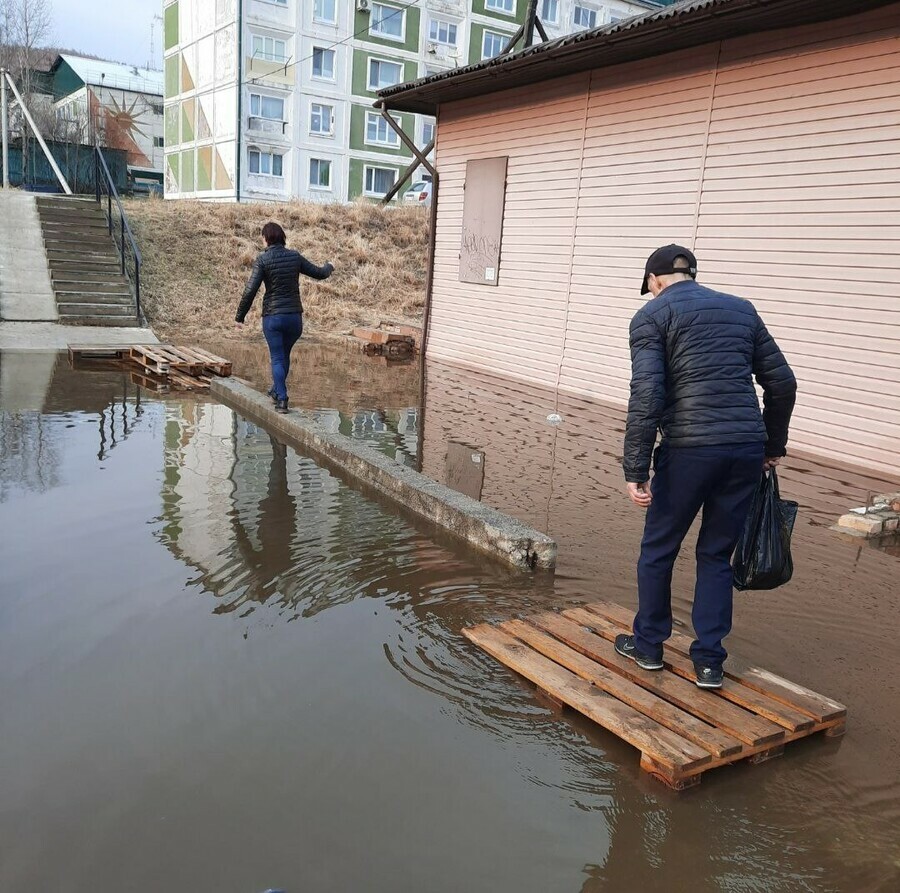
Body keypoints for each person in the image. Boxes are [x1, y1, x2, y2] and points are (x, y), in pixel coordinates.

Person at [618, 244, 796, 689]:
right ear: (692, 275)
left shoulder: (652, 317)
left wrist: (635, 468)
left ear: (655, 281)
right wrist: (771, 445)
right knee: (716, 554)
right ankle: (710, 662)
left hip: (690, 450)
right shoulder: (741, 310)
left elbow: (647, 397)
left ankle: (649, 646)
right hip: (743, 450)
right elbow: (783, 382)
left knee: (659, 548)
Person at [235, 222, 334, 413]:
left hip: (273, 318)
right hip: (294, 318)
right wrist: (330, 266)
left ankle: (282, 399)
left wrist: (240, 317)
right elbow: (320, 273)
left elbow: (250, 291)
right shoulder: (294, 257)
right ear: (282, 238)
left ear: (266, 238)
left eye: (262, 237)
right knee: (284, 355)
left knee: (278, 358)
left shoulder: (262, 260)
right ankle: (275, 390)